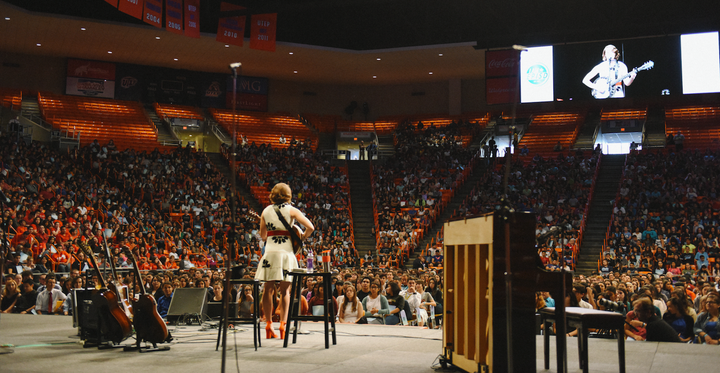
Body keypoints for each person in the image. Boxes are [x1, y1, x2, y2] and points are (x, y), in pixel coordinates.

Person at [255, 183, 315, 339]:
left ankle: (268, 325)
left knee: (268, 290)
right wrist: (300, 238)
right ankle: (283, 325)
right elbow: (311, 227)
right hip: (286, 254)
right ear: (289, 195)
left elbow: (262, 236)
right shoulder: (292, 210)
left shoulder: (266, 211)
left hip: (270, 253)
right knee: (285, 291)